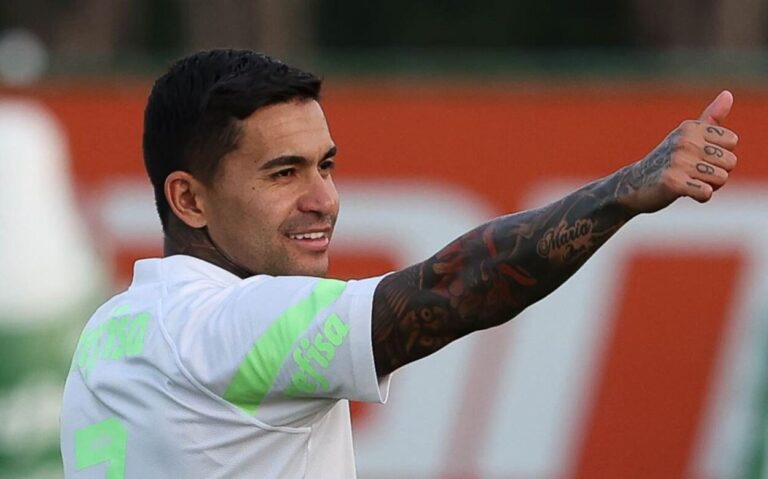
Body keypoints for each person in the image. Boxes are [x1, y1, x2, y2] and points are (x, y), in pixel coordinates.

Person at [59, 49, 739, 478]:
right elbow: (458, 285)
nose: (323, 199)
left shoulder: (109, 333)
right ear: (189, 198)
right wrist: (623, 192)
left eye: (326, 166)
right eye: (283, 173)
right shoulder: (229, 325)